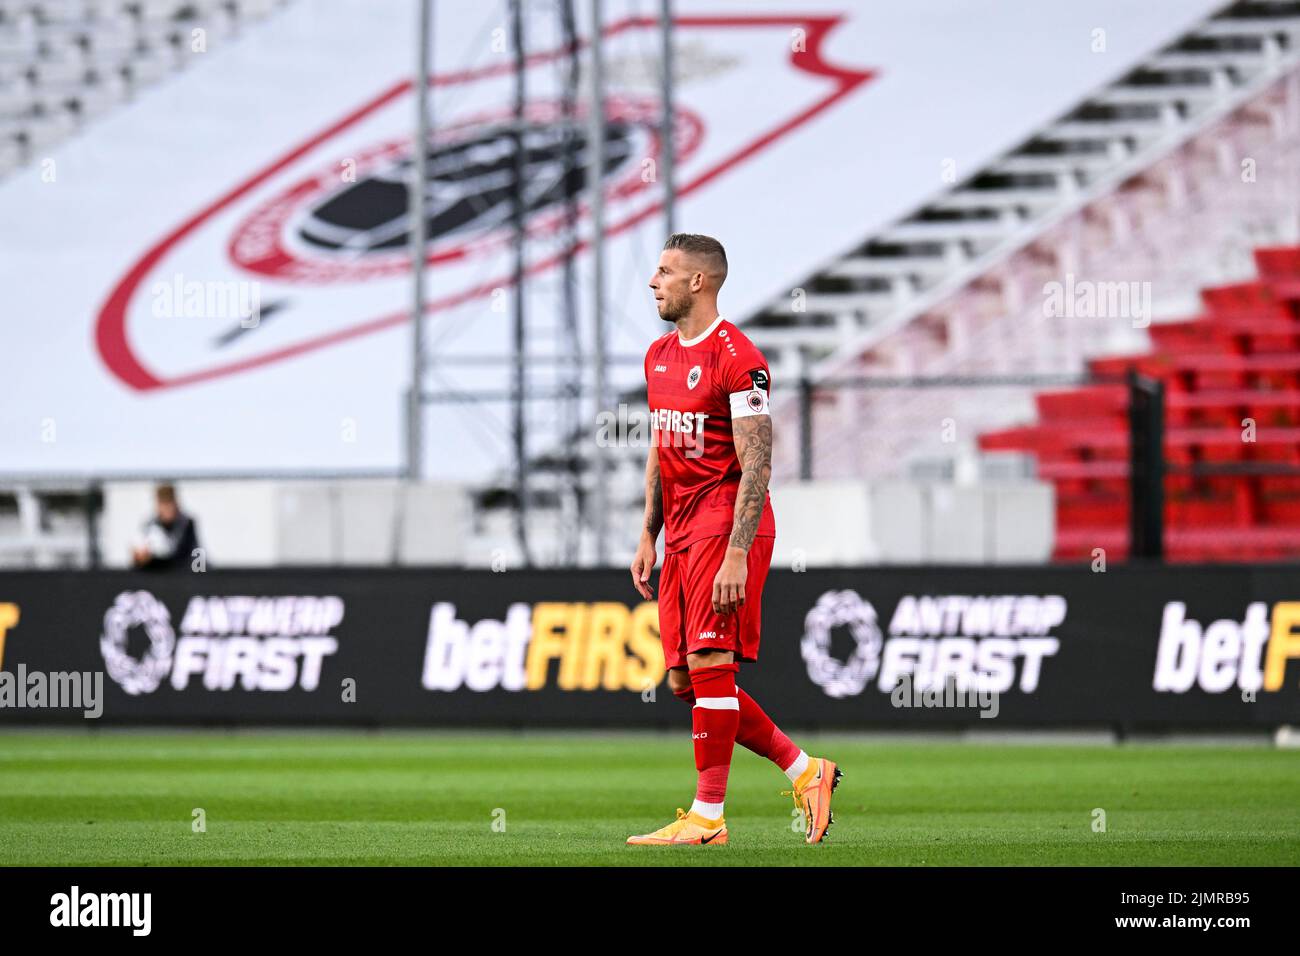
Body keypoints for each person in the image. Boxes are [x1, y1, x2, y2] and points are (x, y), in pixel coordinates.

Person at [627, 233, 840, 846]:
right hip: (682, 531)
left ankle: (708, 817)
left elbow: (759, 463)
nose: (653, 282)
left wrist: (738, 552)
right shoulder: (658, 356)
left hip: (726, 524)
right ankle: (807, 771)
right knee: (685, 682)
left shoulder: (738, 358)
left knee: (712, 663)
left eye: (665, 272)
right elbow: (662, 449)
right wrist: (648, 534)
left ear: (699, 282)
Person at [131, 483, 200, 571]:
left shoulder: (187, 524)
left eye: (169, 503)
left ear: (176, 504)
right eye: (163, 504)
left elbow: (195, 555)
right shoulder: (149, 526)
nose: (167, 508)